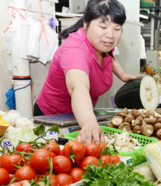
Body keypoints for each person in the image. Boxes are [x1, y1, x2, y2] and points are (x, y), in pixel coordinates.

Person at [34, 0, 142, 144]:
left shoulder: (104, 45)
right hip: (52, 119)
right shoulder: (75, 50)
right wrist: (89, 123)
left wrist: (123, 75)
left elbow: (111, 58)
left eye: (117, 29)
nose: (110, 35)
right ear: (86, 25)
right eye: (103, 26)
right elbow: (78, 88)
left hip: (80, 114)